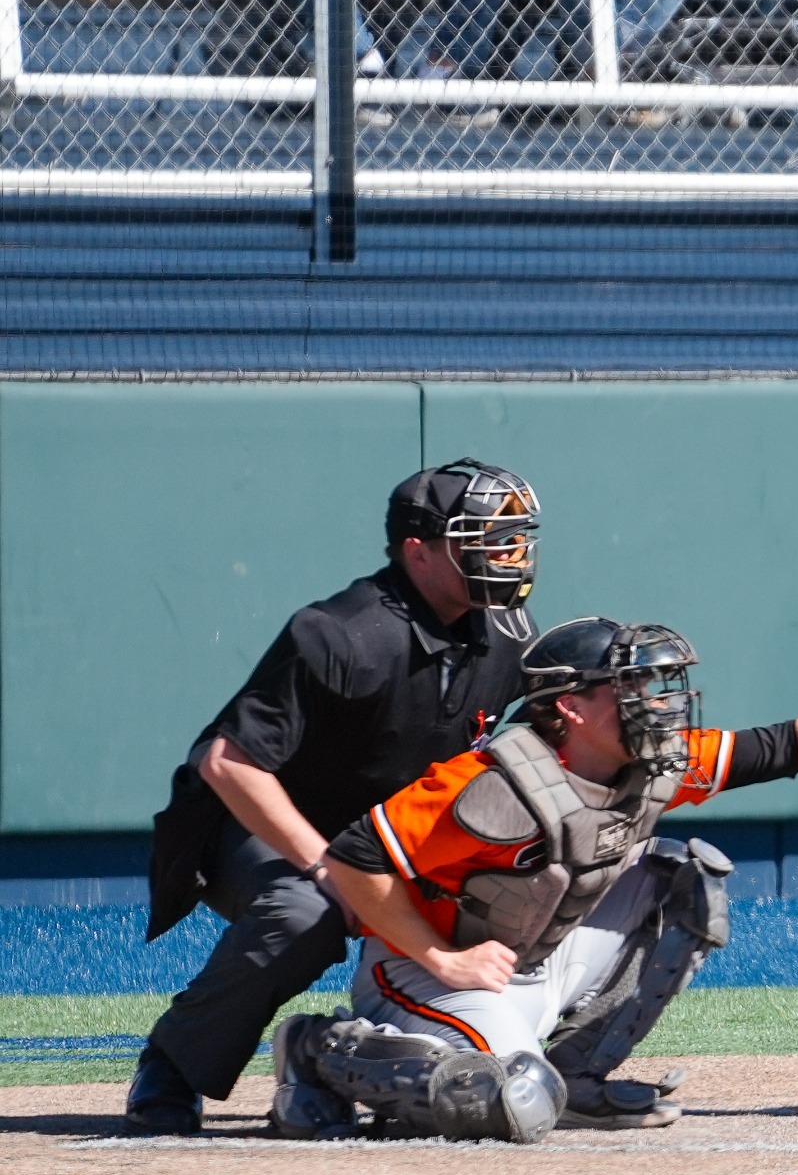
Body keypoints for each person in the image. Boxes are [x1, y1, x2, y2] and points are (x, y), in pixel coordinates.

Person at [273, 615, 798, 1141]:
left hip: (539, 955)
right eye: (630, 685)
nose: (657, 700)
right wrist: (439, 958)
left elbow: (779, 748)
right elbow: (354, 857)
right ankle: (316, 1049)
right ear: (570, 706)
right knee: (511, 1105)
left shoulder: (649, 760)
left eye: (653, 682)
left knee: (686, 877)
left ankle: (577, 1076)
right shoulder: (491, 785)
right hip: (432, 976)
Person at [124, 461, 541, 1134]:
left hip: (389, 837)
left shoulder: (508, 633)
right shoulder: (341, 632)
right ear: (418, 552)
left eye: (513, 539)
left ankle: (551, 1065)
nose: (508, 555)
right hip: (263, 826)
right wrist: (328, 868)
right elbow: (229, 765)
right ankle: (172, 1063)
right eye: (485, 541)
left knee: (532, 879)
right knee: (305, 914)